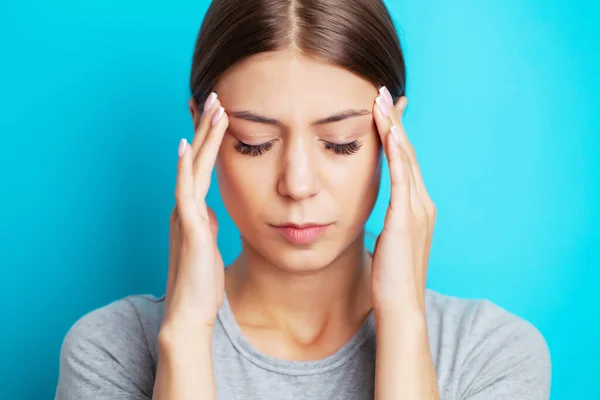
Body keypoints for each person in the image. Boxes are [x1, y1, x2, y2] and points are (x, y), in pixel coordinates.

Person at [54, 0, 551, 399]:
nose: (297, 184)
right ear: (201, 129)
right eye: (254, 142)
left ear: (391, 133)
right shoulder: (112, 350)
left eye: (341, 143)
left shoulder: (491, 352)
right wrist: (184, 337)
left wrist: (402, 322)